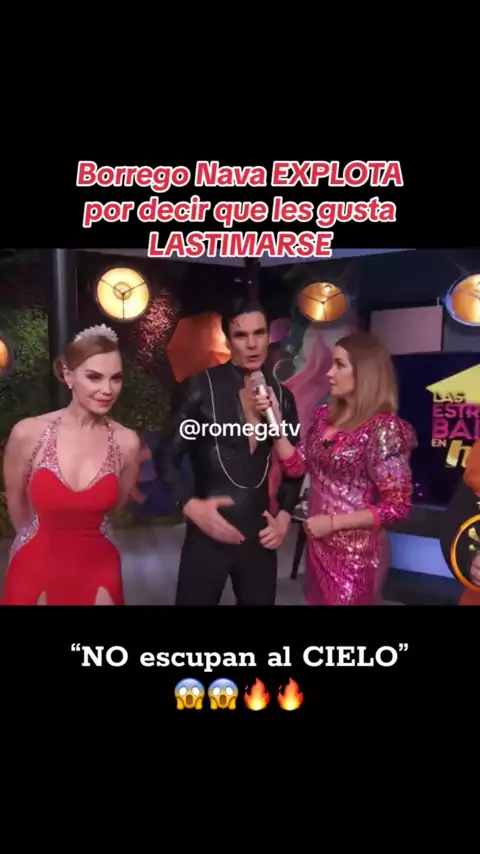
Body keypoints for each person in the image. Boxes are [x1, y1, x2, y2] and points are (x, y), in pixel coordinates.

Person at [253, 331, 417, 605]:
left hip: (356, 556)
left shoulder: (383, 429)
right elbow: (296, 466)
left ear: (365, 373)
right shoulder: (324, 419)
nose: (329, 373)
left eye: (340, 365)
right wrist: (275, 423)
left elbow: (397, 507)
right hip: (318, 546)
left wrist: (332, 523)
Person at [155, 299, 302, 606]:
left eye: (259, 333)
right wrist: (190, 505)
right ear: (227, 339)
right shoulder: (200, 387)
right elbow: (166, 454)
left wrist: (284, 517)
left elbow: (295, 466)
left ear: (268, 336)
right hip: (207, 533)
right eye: (241, 335)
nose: (252, 344)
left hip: (259, 536)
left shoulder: (282, 397)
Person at [1, 325, 140, 605]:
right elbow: (16, 505)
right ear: (68, 375)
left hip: (99, 564)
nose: (107, 390)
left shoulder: (127, 442)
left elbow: (116, 505)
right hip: (36, 562)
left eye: (115, 378)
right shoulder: (28, 433)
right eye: (94, 377)